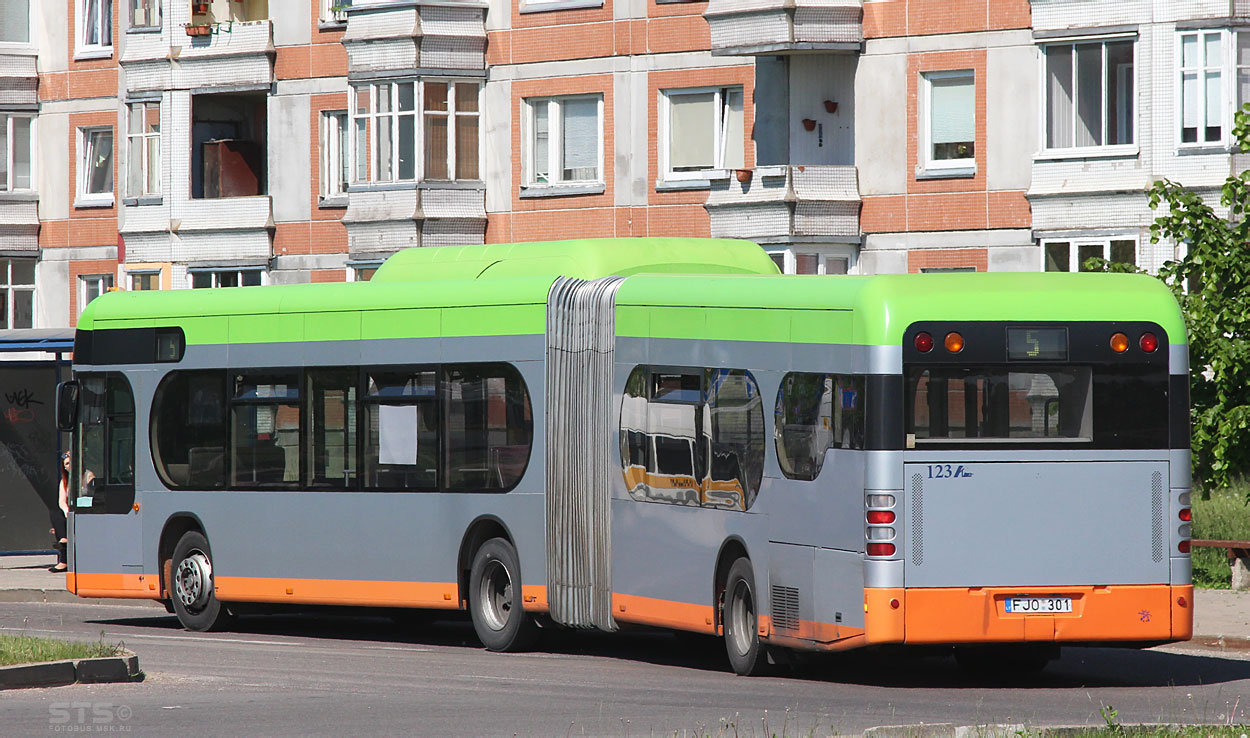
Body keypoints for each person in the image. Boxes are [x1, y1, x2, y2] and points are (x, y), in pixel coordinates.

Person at [49, 452, 70, 573]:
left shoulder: (87, 476)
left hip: (83, 508)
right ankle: (63, 539)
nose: (69, 465)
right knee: (55, 512)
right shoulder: (64, 481)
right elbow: (62, 502)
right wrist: (67, 511)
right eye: (66, 464)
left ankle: (64, 561)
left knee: (59, 525)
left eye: (71, 462)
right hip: (69, 510)